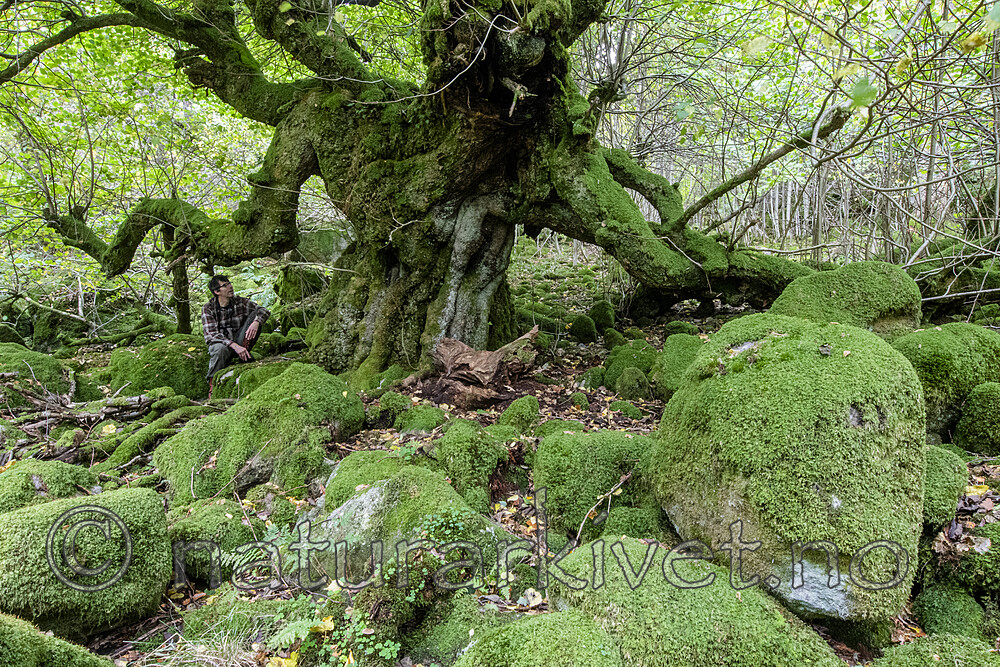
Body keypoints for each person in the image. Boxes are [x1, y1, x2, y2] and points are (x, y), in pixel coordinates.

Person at [202, 275, 271, 397]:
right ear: (217, 292)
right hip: (222, 344)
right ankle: (213, 384)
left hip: (240, 340)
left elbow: (264, 310)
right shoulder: (208, 308)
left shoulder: (240, 302)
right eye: (225, 285)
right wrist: (233, 345)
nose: (230, 287)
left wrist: (256, 322)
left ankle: (243, 358)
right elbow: (212, 334)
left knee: (256, 316)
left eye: (229, 283)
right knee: (219, 349)